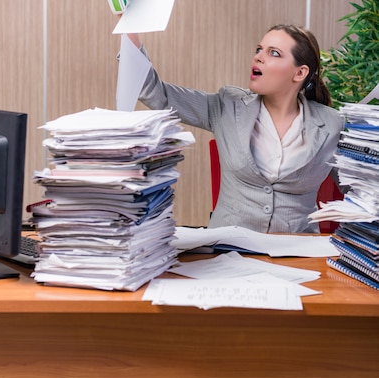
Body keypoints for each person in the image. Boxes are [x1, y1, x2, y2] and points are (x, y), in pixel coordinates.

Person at [124, 24, 343, 233]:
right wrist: (130, 28)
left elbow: (362, 192)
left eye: (274, 53)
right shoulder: (228, 105)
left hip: (299, 253)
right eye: (259, 49)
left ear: (299, 73)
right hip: (227, 250)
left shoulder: (332, 124)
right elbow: (153, 92)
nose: (258, 56)